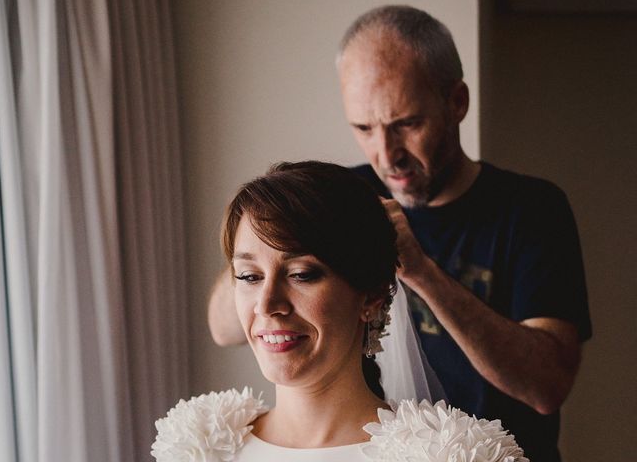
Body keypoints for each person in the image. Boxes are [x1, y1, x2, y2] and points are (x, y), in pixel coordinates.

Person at [208, 6, 592, 461]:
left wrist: (422, 272)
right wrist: (271, 250)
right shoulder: (344, 199)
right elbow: (224, 326)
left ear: (457, 102)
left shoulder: (531, 209)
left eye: (406, 125)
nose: (385, 156)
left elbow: (547, 386)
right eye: (364, 128)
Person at [153, 161, 527, 461]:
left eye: (301, 274)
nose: (267, 304)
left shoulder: (453, 455)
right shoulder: (199, 447)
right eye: (250, 276)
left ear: (372, 297)